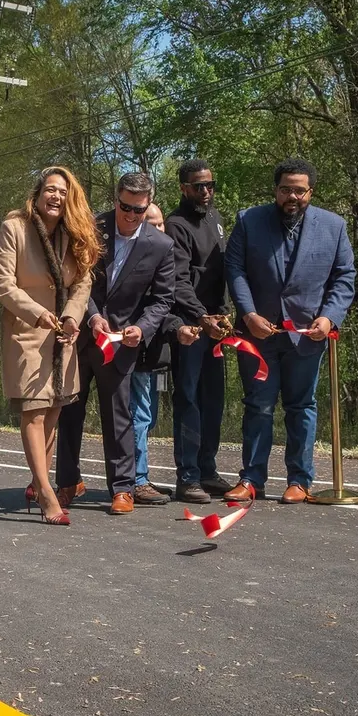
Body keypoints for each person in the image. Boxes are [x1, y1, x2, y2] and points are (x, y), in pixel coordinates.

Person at [225, 157, 356, 503]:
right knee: (258, 406)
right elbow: (235, 270)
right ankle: (251, 479)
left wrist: (329, 318)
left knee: (301, 406)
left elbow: (344, 278)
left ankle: (300, 480)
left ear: (310, 192)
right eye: (286, 190)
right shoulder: (249, 221)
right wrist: (249, 314)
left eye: (299, 191)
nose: (292, 197)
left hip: (308, 336)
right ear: (276, 190)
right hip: (258, 334)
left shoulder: (334, 226)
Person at [55, 173, 175, 515]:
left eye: (138, 209)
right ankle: (67, 481)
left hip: (122, 344)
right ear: (115, 200)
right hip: (82, 335)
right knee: (70, 411)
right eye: (124, 207)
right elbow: (78, 280)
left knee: (119, 416)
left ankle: (122, 488)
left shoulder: (161, 246)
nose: (130, 215)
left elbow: (162, 300)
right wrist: (91, 317)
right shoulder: (92, 228)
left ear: (148, 205)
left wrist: (142, 328)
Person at [0, 166, 100, 526]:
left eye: (63, 192)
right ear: (37, 195)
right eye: (50, 190)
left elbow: (82, 282)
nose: (56, 197)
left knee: (54, 410)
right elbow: (3, 284)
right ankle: (46, 490)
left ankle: (39, 484)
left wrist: (72, 316)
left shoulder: (75, 234)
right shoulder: (14, 228)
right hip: (26, 332)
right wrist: (37, 313)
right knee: (34, 412)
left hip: (63, 334)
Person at [166, 158, 234, 504]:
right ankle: (188, 476)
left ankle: (207, 470)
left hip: (215, 326)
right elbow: (177, 281)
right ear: (183, 188)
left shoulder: (216, 219)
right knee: (189, 399)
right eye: (198, 186)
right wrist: (200, 316)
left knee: (213, 400)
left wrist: (223, 315)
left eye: (210, 185)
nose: (206, 192)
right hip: (190, 327)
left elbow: (221, 273)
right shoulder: (175, 225)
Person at [129, 202, 202, 503]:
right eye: (150, 223)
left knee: (149, 415)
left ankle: (139, 477)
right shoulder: (137, 259)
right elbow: (148, 307)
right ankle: (136, 479)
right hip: (135, 350)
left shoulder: (164, 257)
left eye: (160, 225)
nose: (157, 230)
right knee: (140, 415)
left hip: (158, 353)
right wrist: (174, 327)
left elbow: (165, 306)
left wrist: (181, 328)